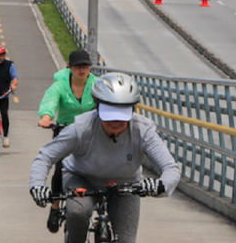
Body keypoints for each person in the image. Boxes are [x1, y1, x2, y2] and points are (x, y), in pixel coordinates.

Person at [30, 73, 180, 243]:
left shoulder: (143, 130)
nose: (115, 122)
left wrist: (161, 186)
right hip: (82, 179)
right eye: (109, 115)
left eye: (122, 115)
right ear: (98, 108)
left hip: (126, 185)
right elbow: (45, 156)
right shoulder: (81, 127)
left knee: (126, 240)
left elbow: (170, 167)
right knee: (78, 212)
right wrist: (37, 186)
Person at [37, 50, 98, 233]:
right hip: (65, 132)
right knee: (60, 170)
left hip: (90, 134)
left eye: (85, 66)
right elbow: (50, 102)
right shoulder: (60, 85)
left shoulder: (96, 85)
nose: (82, 69)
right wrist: (46, 118)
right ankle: (55, 207)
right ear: (70, 68)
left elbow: (107, 102)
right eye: (78, 66)